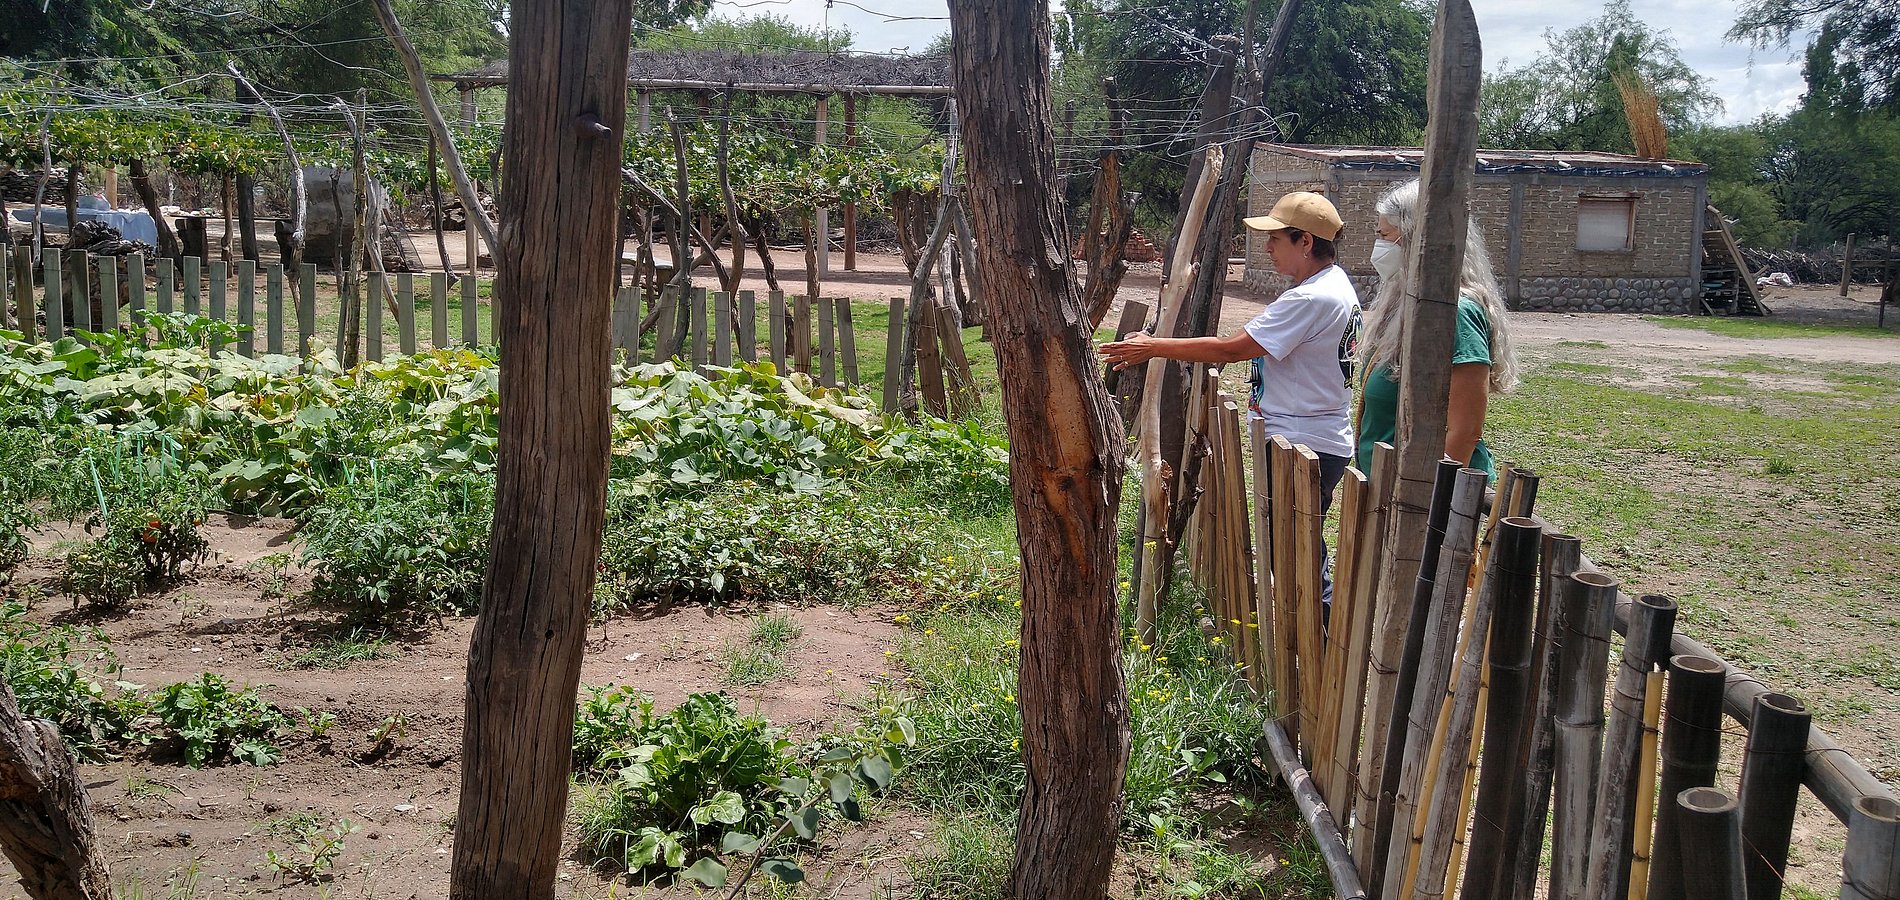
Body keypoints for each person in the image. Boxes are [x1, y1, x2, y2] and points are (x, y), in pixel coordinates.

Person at [1101, 191, 1362, 603]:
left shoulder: (1310, 298)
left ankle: (1322, 629)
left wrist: (1154, 346)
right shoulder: (1334, 285)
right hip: (1316, 436)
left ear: (1306, 241)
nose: (1267, 247)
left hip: (1303, 442)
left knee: (1298, 558)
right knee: (1295, 552)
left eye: (1275, 238)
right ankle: (1312, 628)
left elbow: (1231, 349)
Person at [1356, 179, 1519, 475]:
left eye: (1385, 236)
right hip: (1386, 485)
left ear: (1417, 238)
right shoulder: (1403, 303)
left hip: (1425, 493)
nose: (1378, 246)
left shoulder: (1458, 313)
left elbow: (1465, 431)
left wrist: (1425, 492)